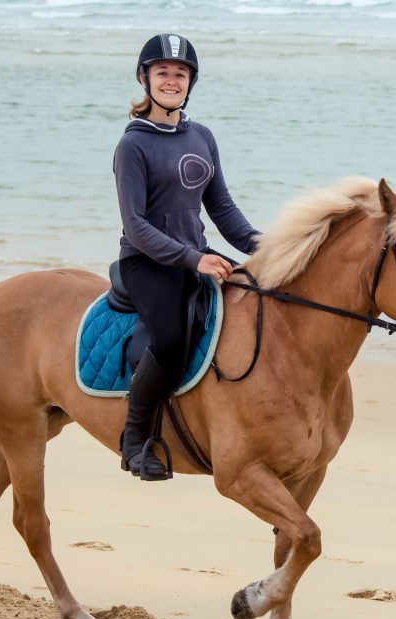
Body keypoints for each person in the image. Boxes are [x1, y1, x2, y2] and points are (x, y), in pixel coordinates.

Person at [114, 33, 260, 480]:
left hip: (194, 254)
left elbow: (222, 210)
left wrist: (269, 248)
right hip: (147, 262)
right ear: (146, 79)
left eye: (180, 73)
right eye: (162, 72)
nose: (171, 80)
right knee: (172, 337)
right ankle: (134, 442)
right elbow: (136, 226)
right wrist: (194, 260)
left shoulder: (201, 136)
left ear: (190, 81)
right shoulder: (132, 145)